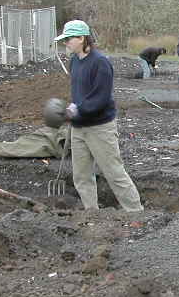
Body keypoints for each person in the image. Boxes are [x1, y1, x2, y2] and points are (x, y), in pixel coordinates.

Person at [55, 19, 143, 212]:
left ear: (81, 38)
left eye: (69, 39)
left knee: (114, 173)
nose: (66, 43)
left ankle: (136, 213)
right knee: (81, 175)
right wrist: (72, 107)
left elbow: (100, 99)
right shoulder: (74, 61)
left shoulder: (100, 63)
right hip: (78, 128)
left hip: (100, 127)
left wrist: (76, 110)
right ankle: (92, 213)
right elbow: (79, 92)